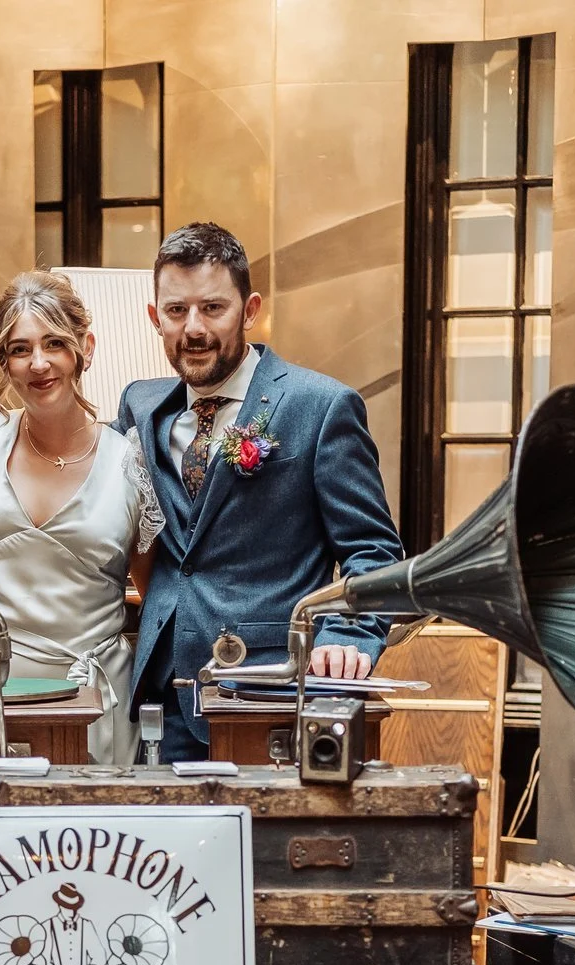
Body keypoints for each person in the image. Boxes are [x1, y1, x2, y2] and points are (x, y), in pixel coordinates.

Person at [117, 222, 407, 762]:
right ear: (155, 317)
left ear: (250, 310)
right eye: (177, 311)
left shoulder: (320, 407)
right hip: (159, 696)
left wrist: (350, 637)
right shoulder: (139, 406)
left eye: (213, 308)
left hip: (265, 693)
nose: (194, 328)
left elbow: (374, 554)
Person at [0, 271, 162, 765]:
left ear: (85, 348)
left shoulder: (132, 462)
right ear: (3, 361)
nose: (39, 363)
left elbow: (153, 594)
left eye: (55, 343)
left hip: (90, 702)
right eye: (19, 349)